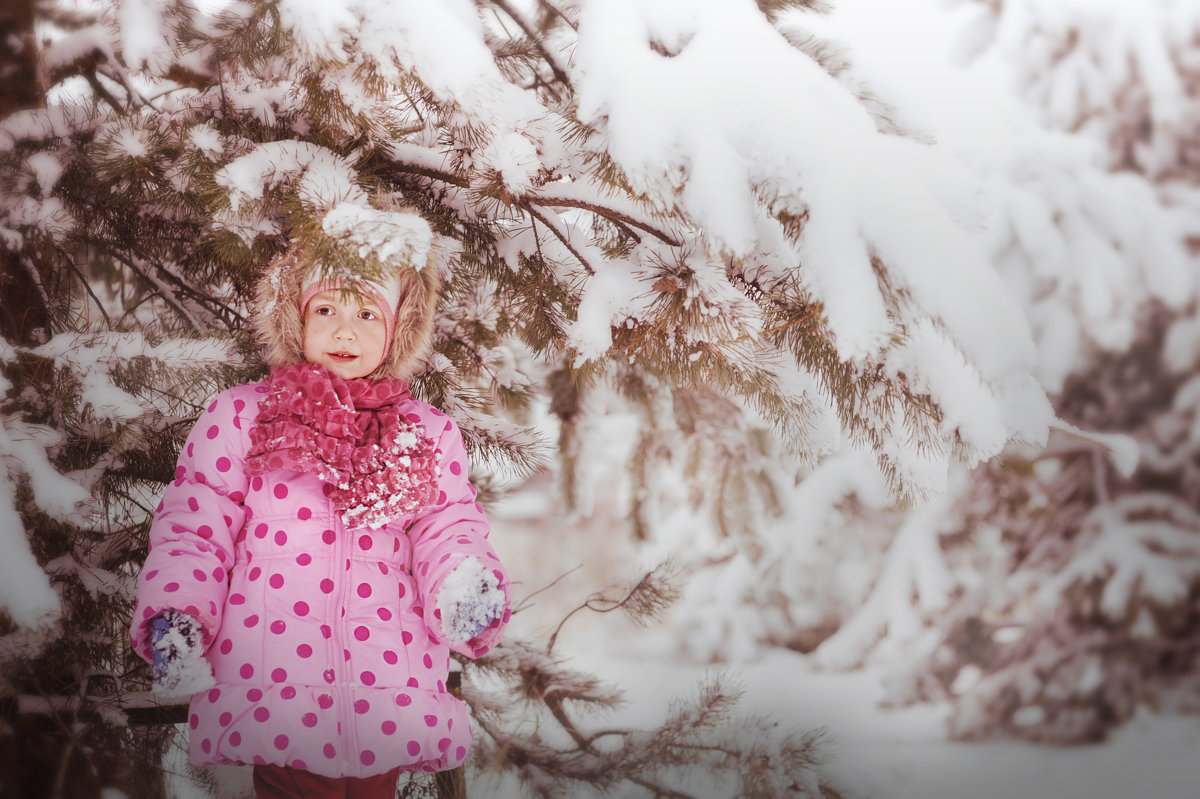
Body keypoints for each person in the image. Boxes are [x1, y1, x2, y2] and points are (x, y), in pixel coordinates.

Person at [129, 230, 510, 799]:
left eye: (366, 313)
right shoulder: (242, 416)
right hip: (275, 675)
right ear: (295, 318)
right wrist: (178, 609)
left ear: (398, 329)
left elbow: (447, 526)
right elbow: (195, 525)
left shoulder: (423, 432)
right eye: (326, 308)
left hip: (387, 677)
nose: (344, 329)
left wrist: (463, 588)